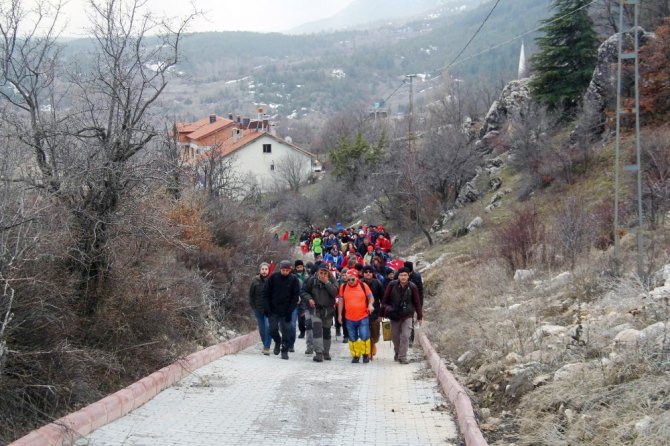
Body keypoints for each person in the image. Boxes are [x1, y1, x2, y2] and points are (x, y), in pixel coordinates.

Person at [382, 267, 423, 364]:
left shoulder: (413, 286)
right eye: (401, 275)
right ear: (398, 276)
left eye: (405, 275)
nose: (403, 277)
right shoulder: (392, 285)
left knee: (405, 336)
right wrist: (386, 311)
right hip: (394, 315)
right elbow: (384, 301)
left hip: (407, 315)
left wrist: (419, 316)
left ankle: (402, 357)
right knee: (395, 337)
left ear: (408, 276)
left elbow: (417, 302)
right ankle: (397, 352)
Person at [263, 260, 300, 360]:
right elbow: (266, 293)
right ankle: (277, 341)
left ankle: (284, 350)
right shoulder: (273, 278)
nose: (285, 272)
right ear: (280, 269)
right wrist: (267, 308)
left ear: (290, 270)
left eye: (287, 270)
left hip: (286, 310)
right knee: (272, 329)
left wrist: (290, 311)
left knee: (287, 330)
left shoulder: (294, 280)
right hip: (273, 309)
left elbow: (295, 297)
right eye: (283, 270)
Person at [301, 264, 338, 362]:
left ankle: (326, 352)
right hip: (315, 309)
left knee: (326, 332)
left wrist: (327, 283)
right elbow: (304, 291)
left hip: (328, 310)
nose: (323, 274)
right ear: (317, 272)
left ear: (328, 272)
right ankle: (319, 353)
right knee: (317, 331)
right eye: (321, 272)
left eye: (325, 272)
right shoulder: (312, 280)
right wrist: (309, 299)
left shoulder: (333, 280)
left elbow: (335, 293)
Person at [337, 269, 374, 363]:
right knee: (352, 338)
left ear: (357, 278)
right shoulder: (343, 287)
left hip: (363, 316)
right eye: (348, 280)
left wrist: (370, 305)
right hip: (349, 317)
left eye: (352, 279)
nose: (350, 281)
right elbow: (341, 301)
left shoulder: (363, 285)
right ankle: (356, 356)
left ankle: (365, 355)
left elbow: (371, 298)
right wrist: (339, 314)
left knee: (364, 336)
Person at [248, 262, 272, 355]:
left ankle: (267, 347)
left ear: (269, 270)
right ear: (260, 270)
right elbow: (251, 296)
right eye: (263, 269)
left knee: (268, 327)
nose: (264, 271)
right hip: (258, 309)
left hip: (269, 309)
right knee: (262, 329)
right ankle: (265, 343)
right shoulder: (255, 281)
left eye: (266, 269)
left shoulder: (271, 280)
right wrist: (254, 307)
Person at [361, 265, 383, 361]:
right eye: (366, 272)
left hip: (375, 312)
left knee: (375, 335)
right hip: (362, 313)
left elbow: (383, 299)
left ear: (372, 273)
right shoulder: (359, 284)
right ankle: (367, 352)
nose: (368, 273)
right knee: (365, 334)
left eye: (370, 272)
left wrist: (381, 314)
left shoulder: (377, 283)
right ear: (363, 274)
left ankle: (373, 344)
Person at [294, 260, 313, 355]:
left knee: (305, 318)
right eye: (297, 267)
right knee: (300, 319)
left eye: (300, 267)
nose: (299, 269)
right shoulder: (293, 276)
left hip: (305, 300)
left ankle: (305, 332)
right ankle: (302, 331)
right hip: (296, 300)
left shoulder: (306, 276)